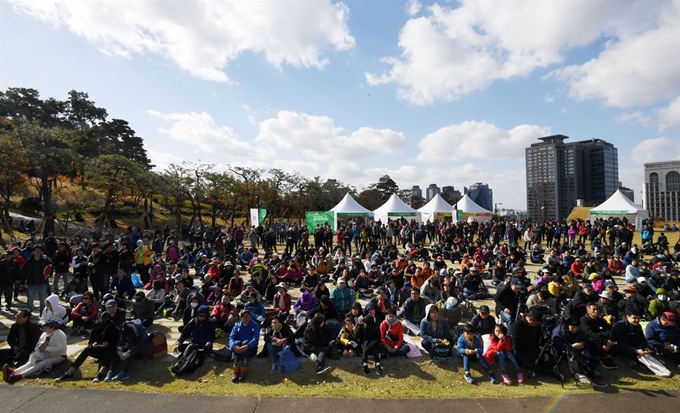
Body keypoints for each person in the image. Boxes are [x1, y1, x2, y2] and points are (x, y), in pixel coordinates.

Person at [56, 319, 120, 383]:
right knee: (87, 349)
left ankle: (101, 372)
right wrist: (93, 344)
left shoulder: (114, 330)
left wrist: (108, 343)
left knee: (110, 348)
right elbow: (90, 343)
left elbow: (119, 343)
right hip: (99, 350)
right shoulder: (95, 330)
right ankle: (70, 372)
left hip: (111, 351)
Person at [3, 320, 67, 383]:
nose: (43, 328)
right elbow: (38, 345)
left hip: (58, 356)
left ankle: (20, 375)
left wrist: (46, 348)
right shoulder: (44, 334)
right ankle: (13, 372)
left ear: (52, 327)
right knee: (30, 362)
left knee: (43, 363)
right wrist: (39, 349)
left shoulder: (60, 334)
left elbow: (61, 349)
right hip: (46, 354)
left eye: (45, 326)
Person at [512, 310, 560, 381]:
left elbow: (540, 338)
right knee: (528, 363)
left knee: (554, 359)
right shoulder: (517, 325)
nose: (537, 324)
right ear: (530, 320)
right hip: (521, 350)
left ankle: (546, 368)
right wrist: (536, 348)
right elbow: (517, 343)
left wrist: (544, 350)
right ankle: (548, 372)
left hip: (535, 349)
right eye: (536, 323)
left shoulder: (537, 326)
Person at [175, 305, 215, 371]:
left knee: (197, 357)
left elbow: (211, 337)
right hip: (194, 343)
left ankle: (193, 365)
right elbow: (184, 333)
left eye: (203, 316)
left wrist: (207, 345)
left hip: (204, 345)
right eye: (199, 315)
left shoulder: (210, 323)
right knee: (182, 348)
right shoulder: (193, 321)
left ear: (207, 315)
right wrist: (178, 343)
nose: (201, 317)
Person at [580, 302, 617, 370]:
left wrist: (608, 340)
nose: (596, 311)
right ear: (588, 311)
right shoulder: (584, 320)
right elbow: (590, 333)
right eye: (593, 309)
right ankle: (602, 358)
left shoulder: (601, 320)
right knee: (599, 345)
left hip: (601, 338)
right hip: (590, 339)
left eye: (597, 309)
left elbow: (608, 330)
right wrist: (604, 341)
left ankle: (607, 356)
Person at [229, 308, 260, 383]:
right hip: (238, 349)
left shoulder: (255, 325)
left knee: (245, 342)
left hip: (250, 349)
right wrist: (233, 346)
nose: (246, 318)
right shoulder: (237, 326)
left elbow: (256, 338)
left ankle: (244, 367)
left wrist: (247, 346)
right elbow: (231, 337)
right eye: (244, 316)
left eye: (248, 316)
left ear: (250, 317)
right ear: (241, 318)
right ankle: (235, 367)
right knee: (237, 342)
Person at [22, 245, 51, 314]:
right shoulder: (29, 261)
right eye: (36, 251)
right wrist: (23, 282)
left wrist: (49, 275)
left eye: (39, 251)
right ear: (33, 252)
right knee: (30, 300)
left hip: (42, 282)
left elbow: (51, 268)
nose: (38, 252)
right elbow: (24, 272)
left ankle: (43, 314)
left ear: (42, 252)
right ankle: (28, 314)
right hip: (31, 283)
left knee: (43, 299)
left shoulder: (45, 260)